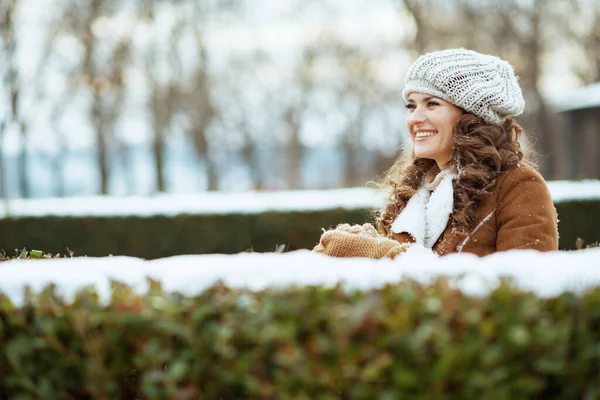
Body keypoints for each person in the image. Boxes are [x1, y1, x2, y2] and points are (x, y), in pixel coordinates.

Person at [313, 48, 559, 258]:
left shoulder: (519, 187)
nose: (415, 118)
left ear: (472, 116)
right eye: (411, 106)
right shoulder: (416, 192)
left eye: (432, 104)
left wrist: (388, 257)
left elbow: (522, 294)